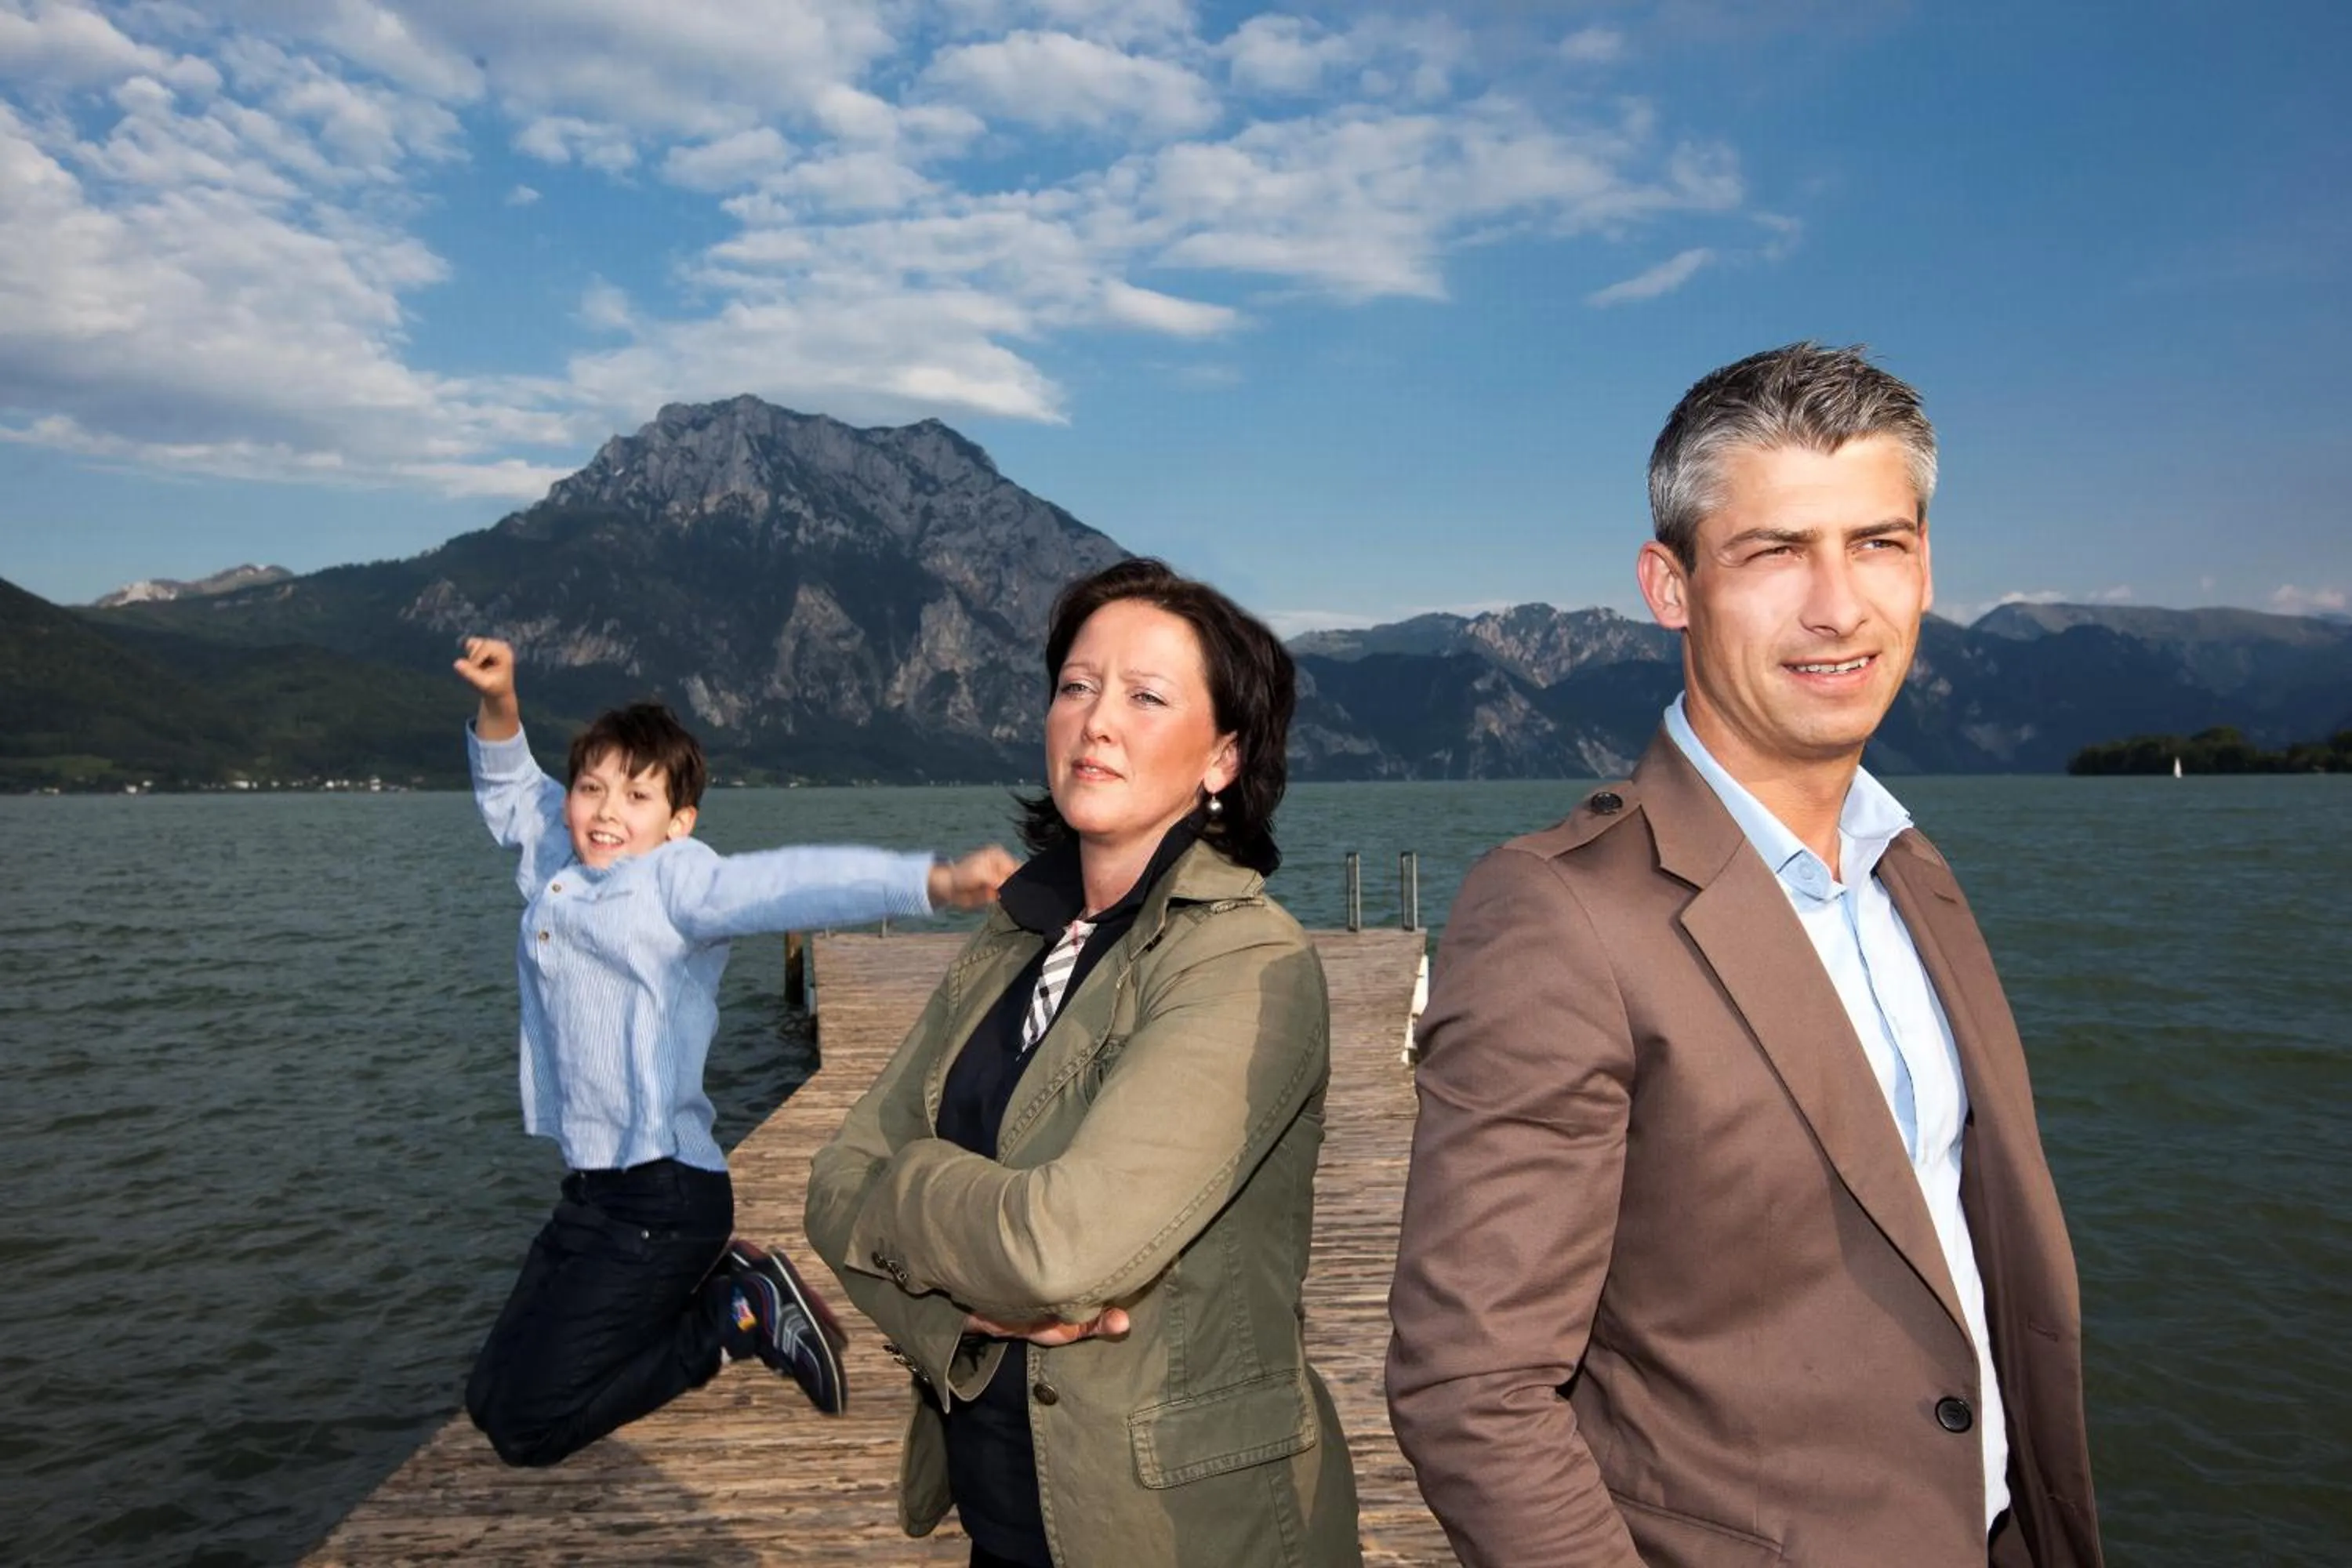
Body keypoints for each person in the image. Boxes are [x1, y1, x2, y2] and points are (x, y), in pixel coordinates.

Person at [1386, 344, 2104, 1567]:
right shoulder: (1559, 914)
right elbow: (1472, 1391)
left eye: (1877, 543)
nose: (1838, 606)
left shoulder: (1912, 872)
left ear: (1926, 568)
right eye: (1776, 552)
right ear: (1671, 587)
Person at [804, 558, 1362, 1568]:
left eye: (1147, 696)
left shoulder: (1242, 958)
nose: (1096, 719)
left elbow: (1063, 1250)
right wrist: (964, 1309)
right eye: (1076, 685)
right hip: (1006, 1512)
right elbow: (832, 1180)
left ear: (1223, 759)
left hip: (1184, 1533)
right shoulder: (1014, 937)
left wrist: (909, 1189)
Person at [452, 635, 1017, 1468]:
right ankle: (730, 1300)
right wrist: (501, 698)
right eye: (591, 786)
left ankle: (735, 1316)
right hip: (594, 1193)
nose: (607, 809)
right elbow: (507, 787)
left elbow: (794, 880)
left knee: (530, 1426)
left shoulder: (678, 882)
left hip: (660, 1197)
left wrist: (933, 882)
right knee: (489, 1401)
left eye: (637, 795)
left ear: (678, 821)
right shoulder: (562, 852)